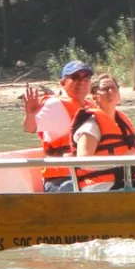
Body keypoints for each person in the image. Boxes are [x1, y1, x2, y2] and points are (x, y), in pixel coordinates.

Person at [23, 59, 93, 191]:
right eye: (75, 77)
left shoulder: (92, 108)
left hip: (88, 176)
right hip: (60, 180)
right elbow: (30, 128)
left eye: (86, 77)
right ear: (62, 83)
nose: (82, 82)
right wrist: (30, 115)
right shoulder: (55, 105)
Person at [67, 73, 135, 192]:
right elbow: (83, 161)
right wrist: (122, 159)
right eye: (105, 89)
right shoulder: (91, 127)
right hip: (100, 187)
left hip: (123, 182)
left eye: (113, 88)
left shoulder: (121, 123)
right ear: (94, 96)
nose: (110, 91)